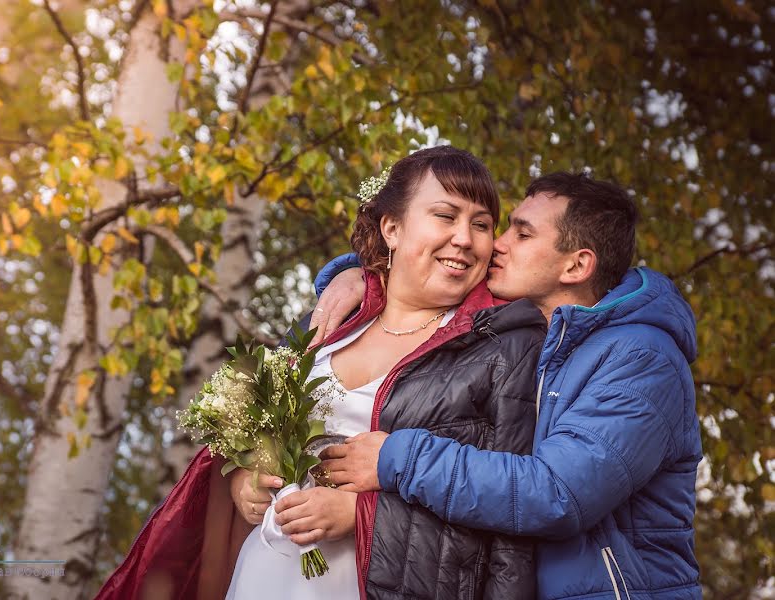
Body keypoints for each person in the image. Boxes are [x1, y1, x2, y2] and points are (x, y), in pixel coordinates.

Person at [93, 145, 546, 600]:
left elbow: (507, 513)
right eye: (446, 216)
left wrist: (363, 514)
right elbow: (256, 431)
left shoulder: (503, 346)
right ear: (392, 227)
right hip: (264, 576)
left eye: (482, 224)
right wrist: (244, 477)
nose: (465, 238)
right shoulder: (330, 323)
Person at [313, 172, 703, 600]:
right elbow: (419, 264)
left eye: (522, 233)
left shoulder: (642, 361)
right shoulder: (541, 335)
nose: (496, 243)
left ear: (576, 265)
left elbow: (558, 494)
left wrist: (398, 458)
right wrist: (355, 275)